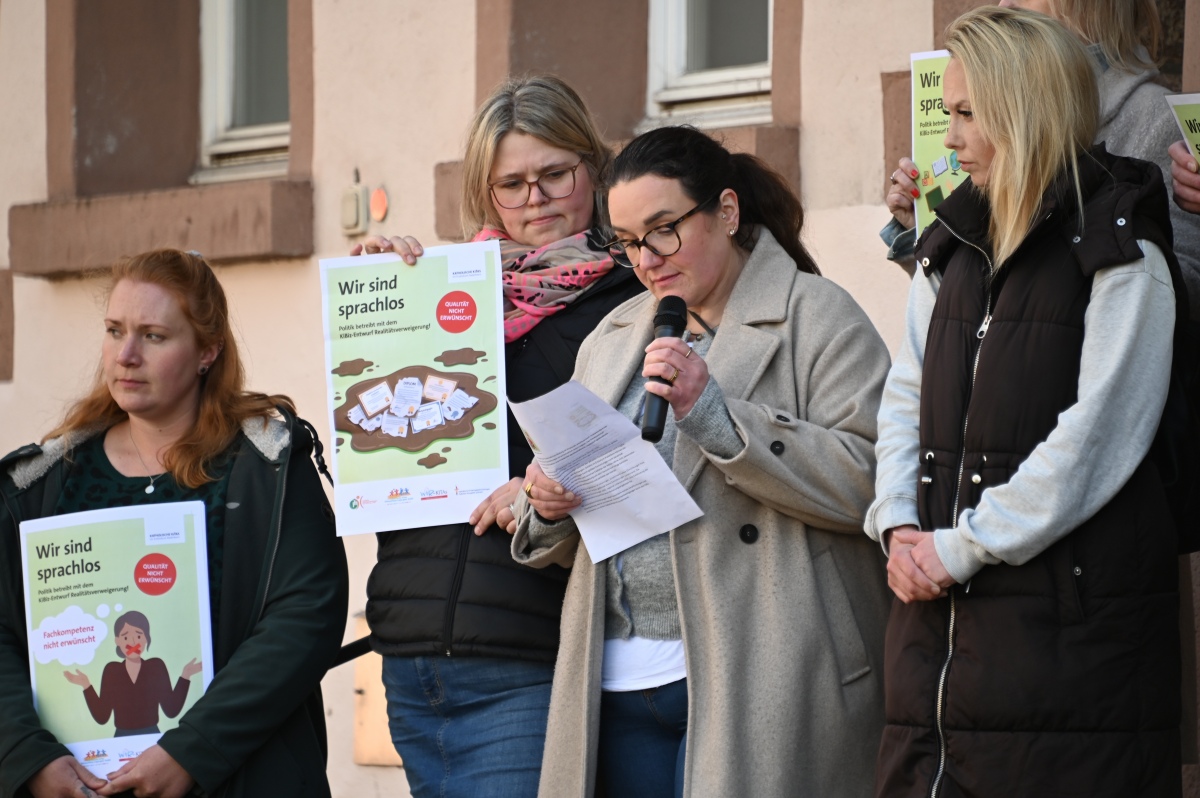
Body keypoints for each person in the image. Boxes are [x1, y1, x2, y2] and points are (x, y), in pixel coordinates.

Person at [512, 125, 894, 798]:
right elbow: (580, 506)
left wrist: (717, 418)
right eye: (628, 242)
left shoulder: (818, 316)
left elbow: (871, 483)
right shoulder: (614, 335)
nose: (647, 260)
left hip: (765, 679)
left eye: (664, 230)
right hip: (619, 681)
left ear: (727, 211)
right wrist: (546, 504)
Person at [867, 8, 1184, 796]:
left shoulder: (1121, 249)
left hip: (1070, 662)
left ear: (1027, 109)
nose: (949, 140)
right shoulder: (950, 246)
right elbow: (906, 395)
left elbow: (1101, 435)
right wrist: (897, 522)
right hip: (936, 653)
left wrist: (962, 547)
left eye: (968, 114)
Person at [351, 75, 644, 798]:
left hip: (529, 646)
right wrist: (375, 304)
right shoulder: (439, 289)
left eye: (554, 174)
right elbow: (382, 428)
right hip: (411, 647)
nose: (534, 198)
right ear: (486, 194)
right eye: (511, 184)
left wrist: (546, 485)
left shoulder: (633, 297)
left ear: (593, 167)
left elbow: (648, 457)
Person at [0, 249, 348, 798]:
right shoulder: (43, 482)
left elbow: (305, 619)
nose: (126, 355)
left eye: (154, 336)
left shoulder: (265, 469)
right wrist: (28, 759)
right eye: (114, 331)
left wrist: (191, 752)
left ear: (208, 351)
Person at [881, 0, 1200, 318]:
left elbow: (1179, 292)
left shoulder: (1156, 117)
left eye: (967, 112)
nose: (1004, 5)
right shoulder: (990, 116)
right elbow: (963, 318)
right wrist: (930, 237)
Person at [64, 610, 202, 737]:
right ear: (117, 641)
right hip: (121, 738)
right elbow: (102, 717)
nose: (133, 642)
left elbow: (171, 710)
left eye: (139, 635)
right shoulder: (112, 670)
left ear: (146, 638)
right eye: (125, 637)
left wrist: (186, 675)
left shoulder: (156, 666)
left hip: (152, 737)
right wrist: (86, 685)